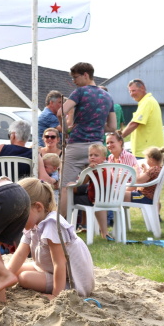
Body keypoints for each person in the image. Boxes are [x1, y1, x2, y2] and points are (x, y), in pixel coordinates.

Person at [7, 178, 95, 299]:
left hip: (72, 281)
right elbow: (20, 255)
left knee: (24, 278)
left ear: (38, 207)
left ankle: (57, 291)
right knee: (10, 270)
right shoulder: (33, 224)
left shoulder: (52, 225)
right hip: (50, 270)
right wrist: (4, 276)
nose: (17, 220)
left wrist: (56, 295)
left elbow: (60, 264)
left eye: (21, 214)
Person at [59, 62, 118, 219]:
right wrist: (96, 126)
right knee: (97, 187)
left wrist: (65, 129)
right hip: (97, 148)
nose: (74, 81)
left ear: (86, 75)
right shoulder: (108, 96)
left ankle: (60, 226)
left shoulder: (79, 92)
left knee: (65, 188)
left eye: (75, 77)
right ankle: (99, 229)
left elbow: (60, 112)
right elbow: (113, 126)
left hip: (76, 145)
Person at [0, 119, 55, 184]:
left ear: (13, 135)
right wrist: (56, 180)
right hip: (24, 196)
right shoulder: (34, 154)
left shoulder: (0, 149)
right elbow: (45, 179)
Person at [67, 144, 114, 241]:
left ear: (103, 158)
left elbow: (82, 182)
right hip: (105, 197)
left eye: (96, 155)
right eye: (90, 155)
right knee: (78, 189)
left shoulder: (96, 169)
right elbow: (84, 182)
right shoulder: (105, 168)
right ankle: (84, 225)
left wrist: (88, 170)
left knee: (70, 194)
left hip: (96, 199)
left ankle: (75, 225)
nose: (92, 157)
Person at [120, 79, 164, 159]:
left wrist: (119, 138)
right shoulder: (149, 101)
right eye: (130, 92)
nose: (132, 94)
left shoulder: (147, 102)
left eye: (134, 90)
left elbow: (134, 124)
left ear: (142, 88)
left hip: (146, 152)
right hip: (151, 151)